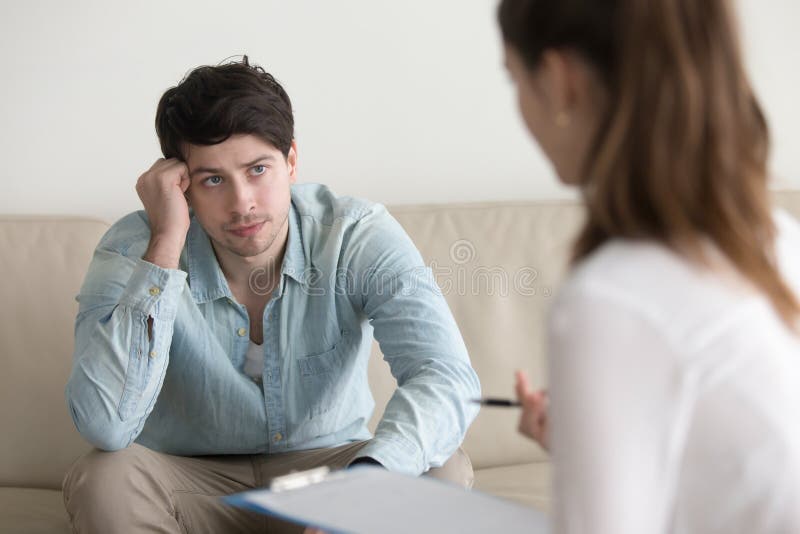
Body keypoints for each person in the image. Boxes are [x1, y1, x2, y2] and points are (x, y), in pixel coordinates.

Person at [62, 56, 480, 533]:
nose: (242, 203)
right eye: (212, 180)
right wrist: (165, 244)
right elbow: (104, 427)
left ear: (292, 161)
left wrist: (367, 485)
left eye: (258, 169)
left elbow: (445, 376)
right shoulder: (135, 247)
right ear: (181, 185)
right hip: (187, 481)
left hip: (329, 474)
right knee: (104, 479)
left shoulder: (355, 234)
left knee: (439, 468)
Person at [498, 0, 800, 532]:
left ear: (560, 79)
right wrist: (594, 435)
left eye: (514, 78)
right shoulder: (776, 239)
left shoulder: (611, 299)